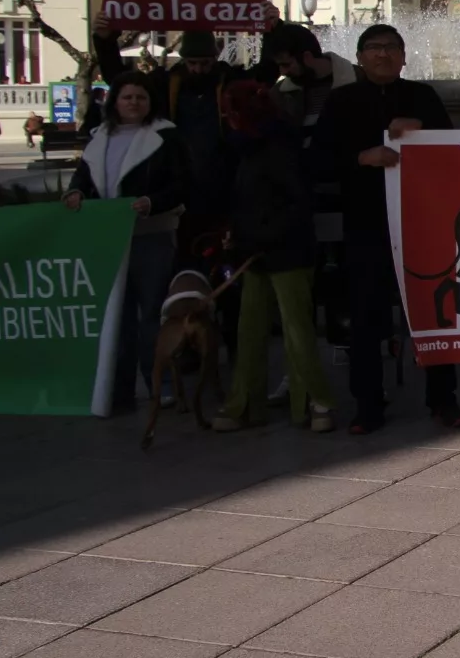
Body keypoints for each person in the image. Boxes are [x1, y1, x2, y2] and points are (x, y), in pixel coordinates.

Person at [311, 24, 457, 434]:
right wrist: (362, 157)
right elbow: (319, 161)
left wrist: (421, 130)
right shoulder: (341, 102)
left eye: (391, 48)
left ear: (404, 56)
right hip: (366, 223)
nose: (382, 55)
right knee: (365, 316)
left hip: (421, 221)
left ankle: (443, 399)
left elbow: (454, 151)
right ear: (359, 57)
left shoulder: (423, 97)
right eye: (373, 48)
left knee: (433, 313)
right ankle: (368, 404)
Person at [210, 81, 337, 434]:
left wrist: (262, 236)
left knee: (297, 331)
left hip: (286, 251)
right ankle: (246, 403)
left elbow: (298, 201)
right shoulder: (245, 148)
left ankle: (316, 401)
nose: (226, 117)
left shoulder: (277, 147)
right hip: (257, 250)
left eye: (230, 111)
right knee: (249, 328)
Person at [62, 72, 186, 413]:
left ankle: (159, 383)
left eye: (141, 98)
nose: (134, 103)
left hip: (152, 236)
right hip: (109, 240)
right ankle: (117, 391)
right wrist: (75, 192)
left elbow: (181, 183)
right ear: (114, 101)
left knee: (152, 315)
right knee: (117, 318)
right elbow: (84, 177)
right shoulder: (99, 138)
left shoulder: (165, 136)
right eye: (128, 97)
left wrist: (151, 203)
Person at [262, 21, 361, 407]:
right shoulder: (281, 92)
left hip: (348, 201)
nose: (283, 72)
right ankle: (298, 373)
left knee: (348, 291)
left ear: (308, 56)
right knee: (301, 296)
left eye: (287, 63)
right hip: (300, 208)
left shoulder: (353, 82)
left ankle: (359, 372)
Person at [92, 21, 237, 271]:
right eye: (192, 63)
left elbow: (265, 75)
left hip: (222, 188)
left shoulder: (230, 81)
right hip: (178, 190)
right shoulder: (165, 83)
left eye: (205, 63)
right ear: (183, 61)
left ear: (214, 59)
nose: (199, 70)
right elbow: (121, 81)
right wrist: (105, 41)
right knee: (181, 262)